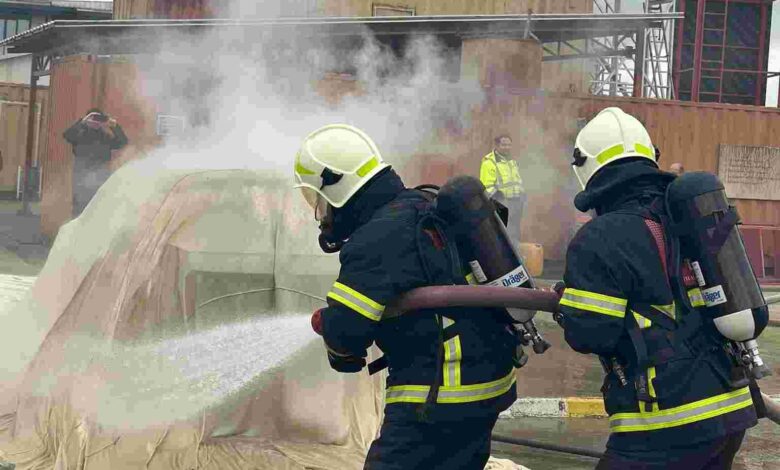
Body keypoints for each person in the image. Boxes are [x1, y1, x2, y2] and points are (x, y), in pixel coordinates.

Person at [294, 124, 520, 470]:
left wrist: (329, 325)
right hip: (487, 384)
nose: (321, 213)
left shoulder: (376, 238)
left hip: (438, 396)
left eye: (319, 200)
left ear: (336, 187)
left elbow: (347, 339)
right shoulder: (420, 203)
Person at [556, 107, 757, 469]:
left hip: (667, 422)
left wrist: (566, 307)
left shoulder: (599, 237)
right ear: (650, 155)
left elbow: (591, 334)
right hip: (730, 411)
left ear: (584, 170)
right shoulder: (684, 213)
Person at [63, 108, 128, 217]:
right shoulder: (80, 134)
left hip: (101, 180)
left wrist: (115, 126)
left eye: (99, 119)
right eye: (93, 119)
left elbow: (122, 142)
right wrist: (82, 122)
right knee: (80, 211)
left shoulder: (105, 137)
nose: (96, 122)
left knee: (99, 211)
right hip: (81, 180)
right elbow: (67, 135)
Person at [479, 135, 526, 244]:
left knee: (514, 231)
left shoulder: (511, 161)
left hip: (515, 202)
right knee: (502, 233)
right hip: (501, 204)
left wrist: (522, 193)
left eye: (509, 145)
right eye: (504, 145)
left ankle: (516, 255)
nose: (507, 147)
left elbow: (517, 181)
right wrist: (499, 198)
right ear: (497, 145)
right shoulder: (489, 162)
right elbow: (487, 186)